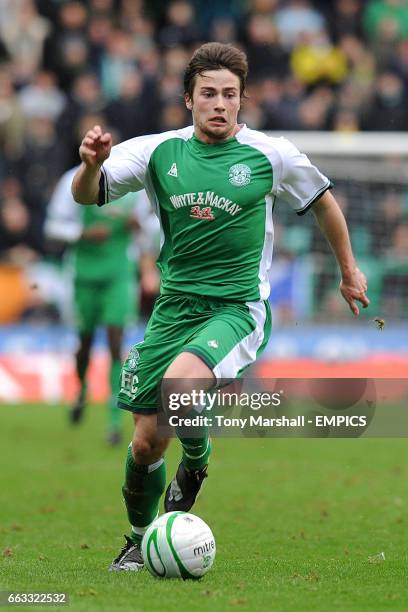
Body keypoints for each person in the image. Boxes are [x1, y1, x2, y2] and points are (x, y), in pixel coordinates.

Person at [72, 42, 369, 570]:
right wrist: (92, 166)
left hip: (237, 309)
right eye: (208, 93)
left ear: (241, 99)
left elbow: (323, 200)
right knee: (144, 445)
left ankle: (198, 458)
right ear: (188, 98)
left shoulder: (270, 154)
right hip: (173, 308)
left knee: (179, 389)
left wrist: (348, 270)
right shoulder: (159, 151)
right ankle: (140, 538)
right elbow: (86, 195)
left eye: (229, 95)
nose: (219, 104)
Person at [46, 165, 159, 445]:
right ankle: (82, 389)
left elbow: (153, 226)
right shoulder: (70, 180)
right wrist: (83, 234)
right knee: (84, 343)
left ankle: (113, 421)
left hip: (119, 274)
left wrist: (139, 229)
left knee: (115, 342)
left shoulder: (134, 186)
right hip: (83, 275)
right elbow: (52, 226)